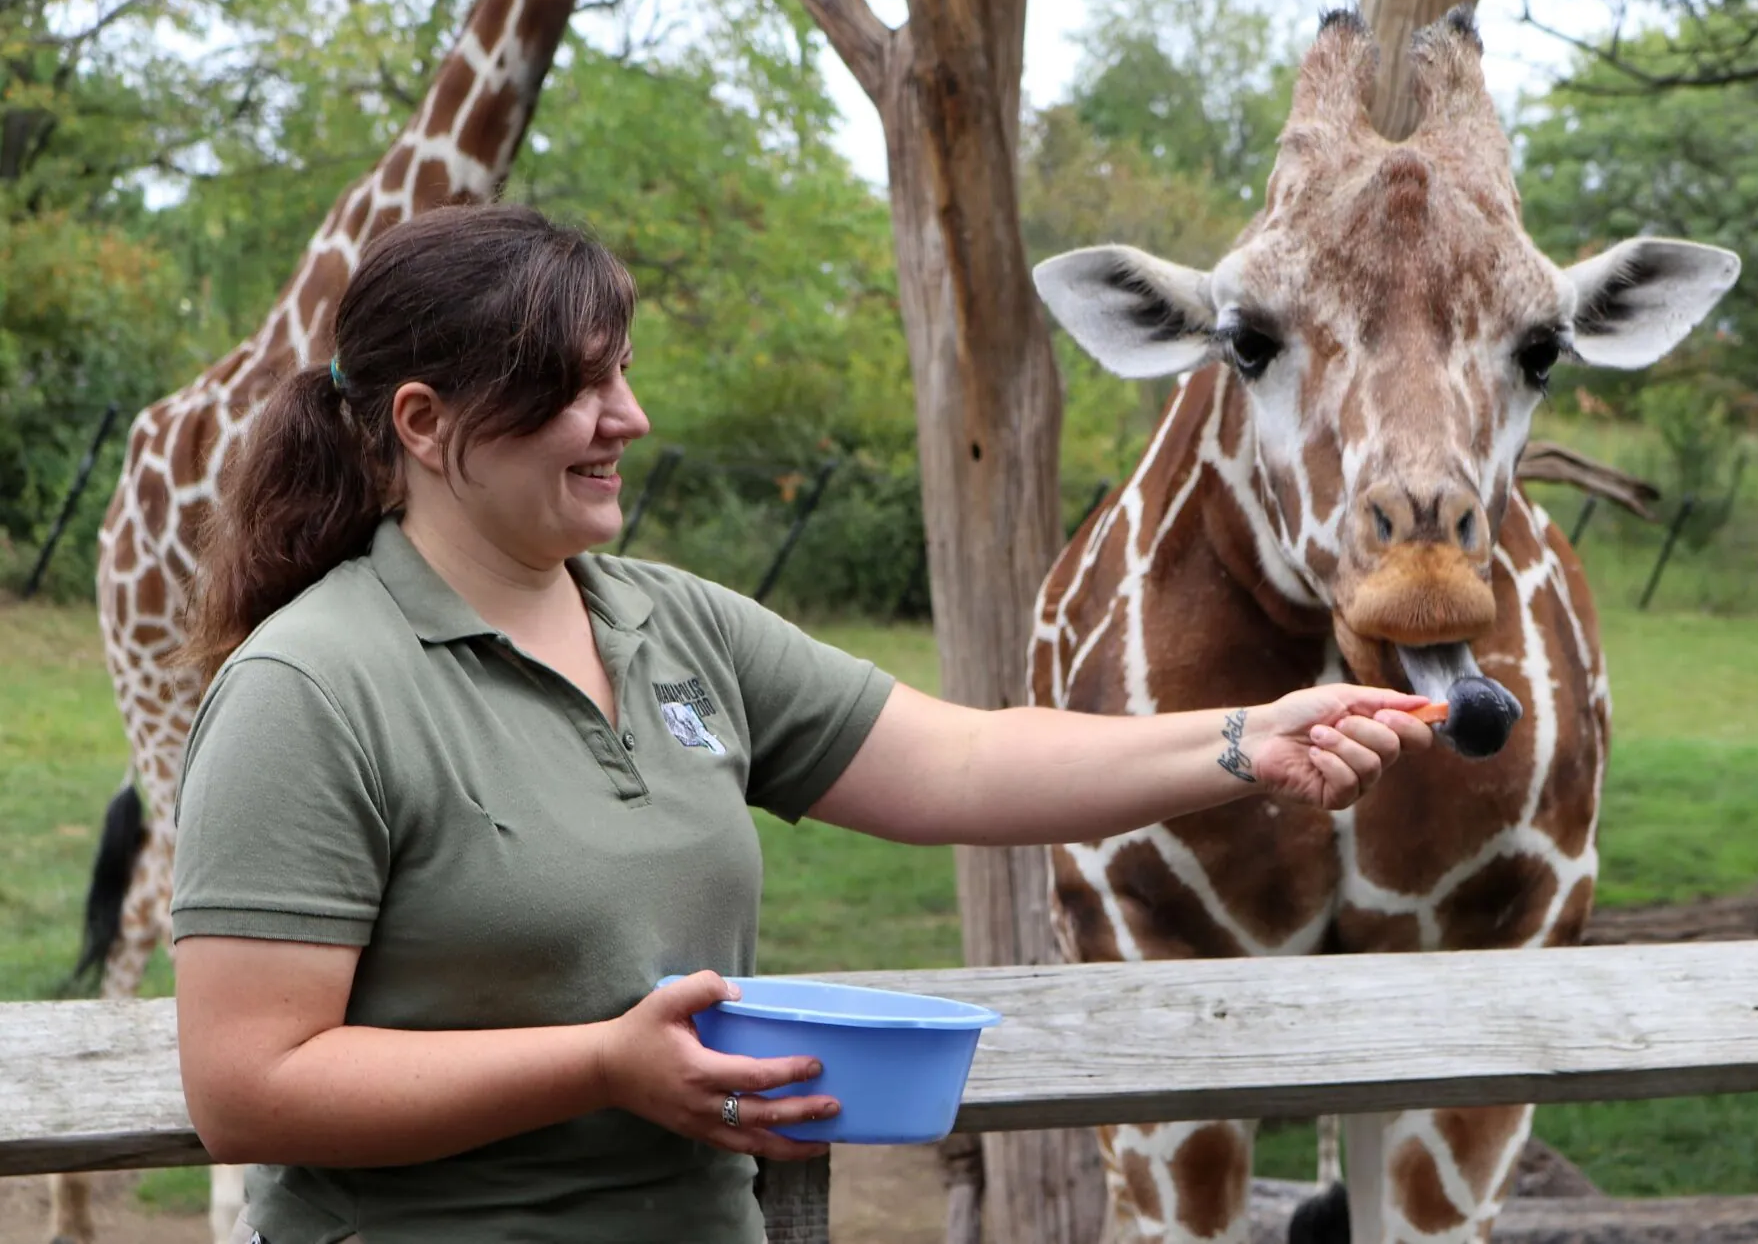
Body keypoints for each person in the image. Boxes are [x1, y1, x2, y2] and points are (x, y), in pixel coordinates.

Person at [169, 202, 1436, 1244]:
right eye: (577, 388)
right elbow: (248, 1091)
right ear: (425, 423)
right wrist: (599, 1065)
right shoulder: (311, 689)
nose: (631, 418)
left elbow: (961, 756)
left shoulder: (673, 626)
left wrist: (1245, 740)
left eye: (621, 372)